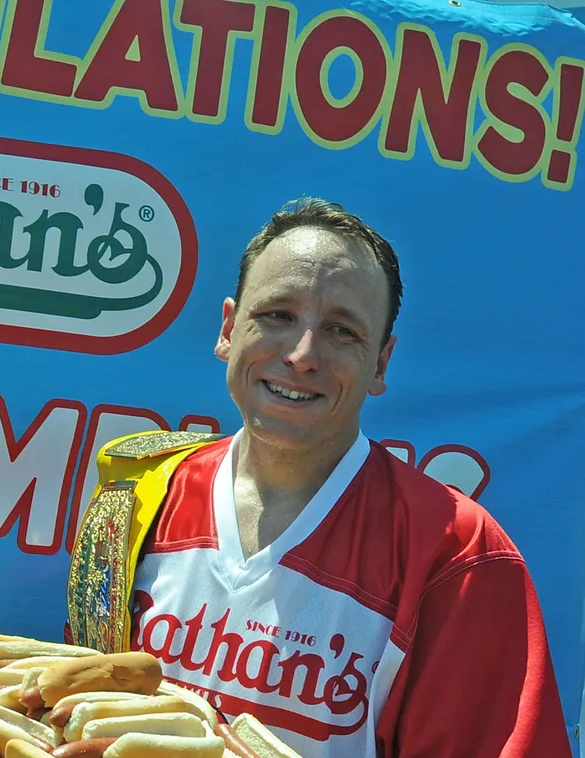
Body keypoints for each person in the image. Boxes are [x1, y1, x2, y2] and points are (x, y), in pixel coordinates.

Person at [67, 198, 571, 757]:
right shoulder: (137, 496)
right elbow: (76, 715)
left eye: (341, 331)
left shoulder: (456, 552)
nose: (302, 354)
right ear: (229, 329)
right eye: (277, 315)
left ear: (380, 363)